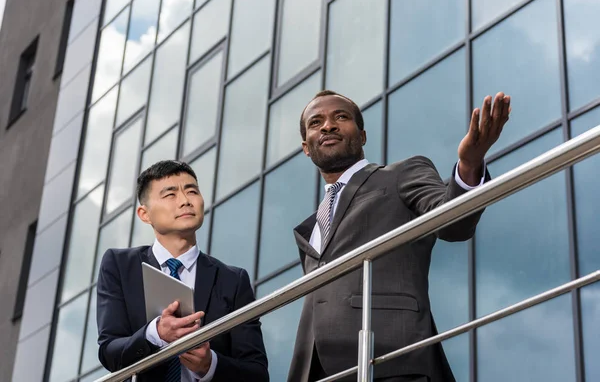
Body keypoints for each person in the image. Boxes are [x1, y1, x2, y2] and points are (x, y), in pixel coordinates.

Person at [288, 90, 511, 382]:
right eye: (316, 122)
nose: (328, 126)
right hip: (316, 371)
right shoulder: (310, 228)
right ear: (306, 147)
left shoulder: (401, 174)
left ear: (363, 135)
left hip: (390, 360)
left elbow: (453, 222)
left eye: (340, 117)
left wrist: (469, 166)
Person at [97, 160, 269, 382]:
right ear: (144, 214)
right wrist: (155, 334)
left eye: (192, 191)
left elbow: (257, 374)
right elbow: (110, 352)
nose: (185, 201)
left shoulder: (232, 280)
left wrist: (209, 365)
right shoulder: (120, 266)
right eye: (170, 195)